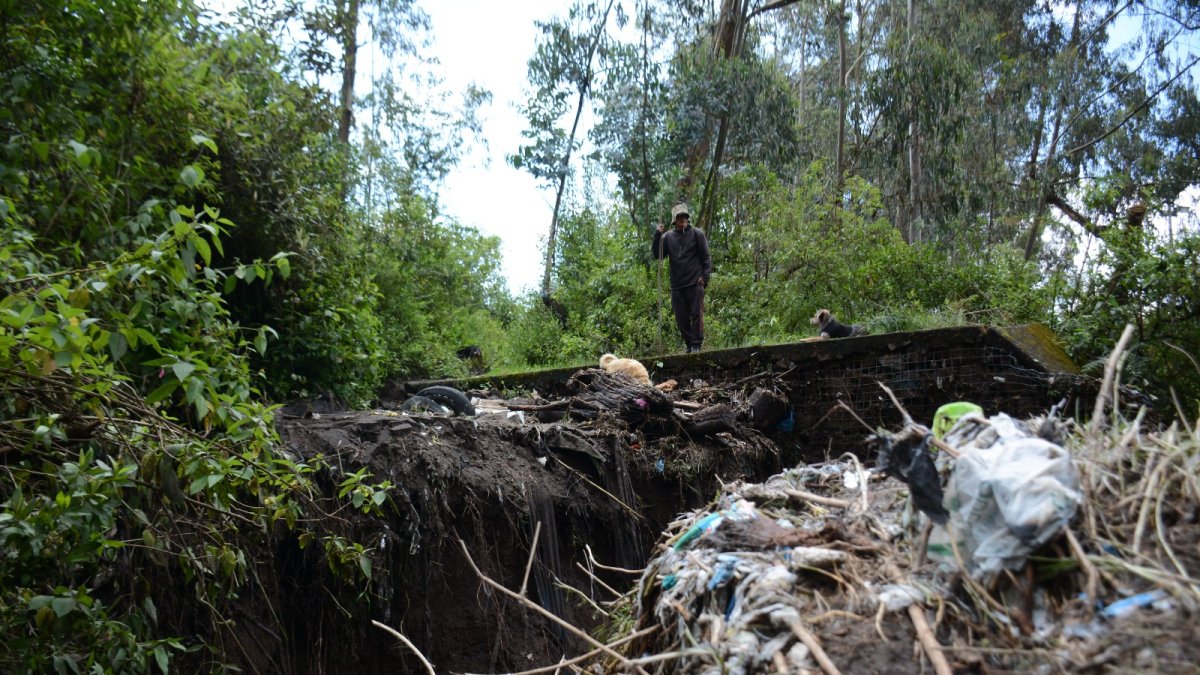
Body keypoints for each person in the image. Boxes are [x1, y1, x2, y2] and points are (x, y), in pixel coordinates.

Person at [652, 203, 712, 353]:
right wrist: (657, 235)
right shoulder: (668, 237)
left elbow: (706, 257)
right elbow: (658, 255)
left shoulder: (697, 234)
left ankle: (696, 345)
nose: (683, 219)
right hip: (677, 285)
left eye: (685, 216)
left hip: (695, 282)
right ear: (675, 219)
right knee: (681, 318)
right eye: (680, 217)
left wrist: (704, 277)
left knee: (697, 315)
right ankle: (689, 345)